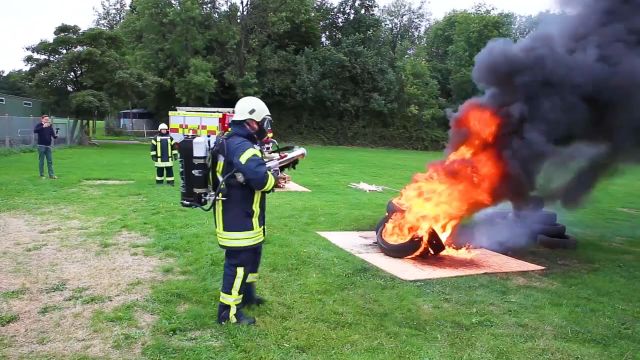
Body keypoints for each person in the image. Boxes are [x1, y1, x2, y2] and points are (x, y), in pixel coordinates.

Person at [216, 96, 285, 325]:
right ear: (253, 122)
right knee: (237, 263)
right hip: (238, 217)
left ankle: (248, 296)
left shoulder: (232, 142)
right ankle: (228, 313)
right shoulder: (242, 146)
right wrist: (274, 178)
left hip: (243, 214)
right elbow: (260, 180)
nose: (266, 129)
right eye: (264, 123)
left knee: (252, 256)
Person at [33, 115, 58, 179]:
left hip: (48, 146)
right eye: (46, 119)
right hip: (41, 145)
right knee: (41, 160)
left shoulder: (49, 126)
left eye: (48, 119)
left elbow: (53, 136)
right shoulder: (39, 125)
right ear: (42, 119)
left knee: (50, 161)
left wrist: (56, 135)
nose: (47, 120)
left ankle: (51, 175)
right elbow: (35, 131)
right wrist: (43, 126)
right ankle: (42, 175)